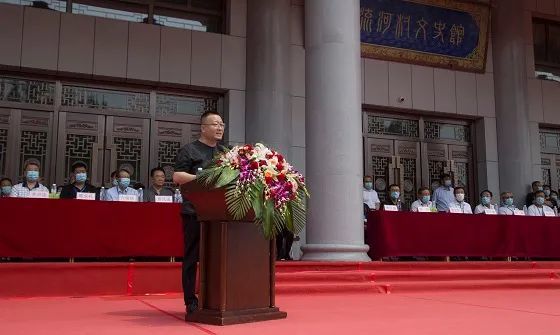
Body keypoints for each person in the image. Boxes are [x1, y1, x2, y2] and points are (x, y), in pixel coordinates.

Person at [172, 111, 226, 316]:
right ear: (203, 127)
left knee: (217, 258)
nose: (220, 128)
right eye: (215, 124)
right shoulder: (190, 150)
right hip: (194, 212)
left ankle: (215, 297)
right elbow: (177, 176)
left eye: (222, 124)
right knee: (192, 257)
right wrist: (202, 178)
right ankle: (190, 301)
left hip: (219, 214)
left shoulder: (225, 152)